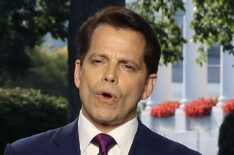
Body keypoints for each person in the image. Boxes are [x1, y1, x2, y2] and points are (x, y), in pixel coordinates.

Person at [4, 6, 201, 155]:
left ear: (147, 86)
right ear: (79, 73)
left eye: (127, 66)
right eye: (99, 61)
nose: (110, 75)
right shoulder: (23, 152)